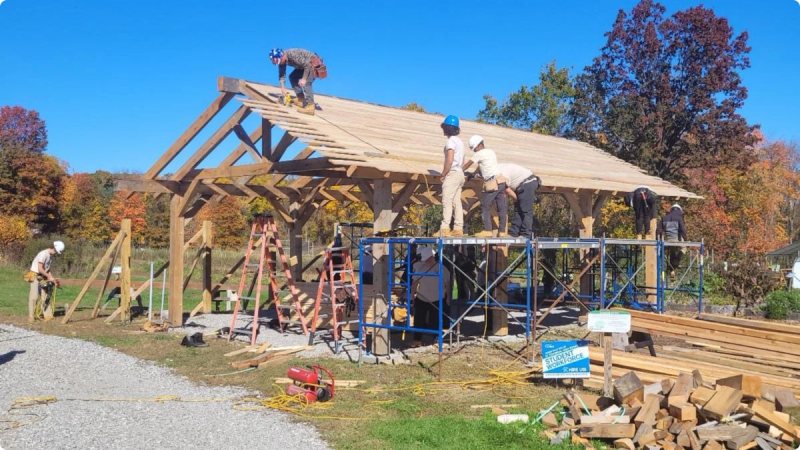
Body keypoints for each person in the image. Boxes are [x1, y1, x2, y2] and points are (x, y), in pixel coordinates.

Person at [463, 135, 507, 237]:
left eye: (474, 149)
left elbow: (468, 164)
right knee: (501, 207)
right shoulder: (490, 152)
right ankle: (502, 231)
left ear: (479, 145)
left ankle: (488, 230)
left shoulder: (479, 154)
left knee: (485, 205)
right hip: (501, 181)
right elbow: (482, 166)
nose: (474, 151)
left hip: (492, 183)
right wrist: (473, 174)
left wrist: (458, 171)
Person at [409, 246, 451, 347]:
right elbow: (414, 283)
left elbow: (448, 283)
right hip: (422, 297)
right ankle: (417, 340)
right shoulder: (420, 267)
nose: (425, 261)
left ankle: (436, 340)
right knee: (418, 319)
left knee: (435, 320)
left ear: (431, 257)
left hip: (437, 298)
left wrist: (448, 296)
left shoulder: (442, 268)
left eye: (426, 259)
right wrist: (411, 296)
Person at [269, 48, 326, 116]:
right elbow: (282, 76)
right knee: (293, 77)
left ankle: (310, 106)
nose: (280, 63)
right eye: (278, 62)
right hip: (303, 67)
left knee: (307, 83)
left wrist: (304, 79)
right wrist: (283, 90)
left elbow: (307, 65)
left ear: (282, 55)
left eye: (280, 60)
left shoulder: (293, 55)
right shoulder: (282, 61)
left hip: (312, 65)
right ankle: (300, 98)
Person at [437, 115, 465, 236]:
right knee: (456, 201)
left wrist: (443, 174)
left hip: (452, 173)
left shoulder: (450, 142)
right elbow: (463, 161)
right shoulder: (460, 142)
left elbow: (449, 159)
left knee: (447, 201)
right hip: (460, 173)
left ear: (446, 128)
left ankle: (444, 228)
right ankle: (458, 228)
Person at [498, 162, 540, 238]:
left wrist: (516, 198)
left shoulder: (500, 173)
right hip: (521, 184)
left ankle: (525, 234)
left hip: (528, 183)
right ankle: (514, 233)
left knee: (526, 210)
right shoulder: (496, 169)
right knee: (518, 209)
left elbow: (507, 189)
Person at [25, 241, 64, 322]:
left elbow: (47, 269)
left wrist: (52, 278)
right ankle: (31, 317)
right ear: (54, 248)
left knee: (46, 295)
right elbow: (40, 268)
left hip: (42, 276)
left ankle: (47, 315)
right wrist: (49, 276)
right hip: (35, 275)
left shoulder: (50, 256)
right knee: (34, 296)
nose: (55, 253)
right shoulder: (44, 254)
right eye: (56, 251)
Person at [658, 204, 688, 278]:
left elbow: (658, 230)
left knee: (672, 252)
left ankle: (672, 270)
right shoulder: (679, 217)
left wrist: (658, 239)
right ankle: (676, 262)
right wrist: (685, 239)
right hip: (677, 239)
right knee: (684, 248)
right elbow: (683, 229)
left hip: (668, 239)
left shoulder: (664, 218)